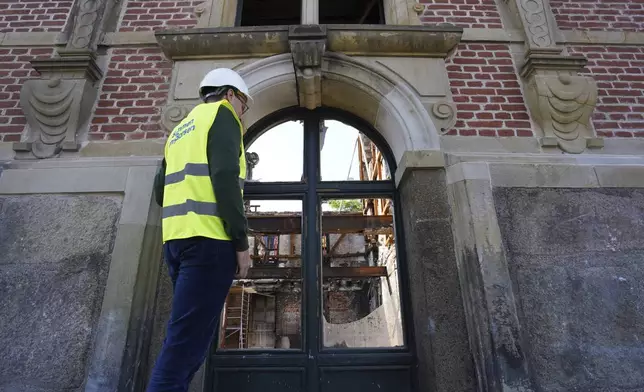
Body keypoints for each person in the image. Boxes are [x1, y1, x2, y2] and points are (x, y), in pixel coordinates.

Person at [147, 68, 253, 392]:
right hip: (210, 243)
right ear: (231, 94)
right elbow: (223, 176)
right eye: (243, 106)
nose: (242, 113)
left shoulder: (181, 128)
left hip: (177, 241)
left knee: (188, 341)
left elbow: (160, 192)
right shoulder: (222, 116)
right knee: (183, 348)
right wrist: (241, 243)